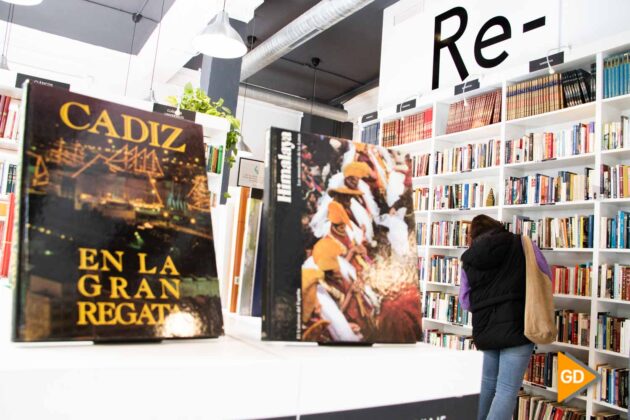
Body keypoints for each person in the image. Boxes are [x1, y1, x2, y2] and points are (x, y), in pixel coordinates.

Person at [459, 215, 551, 420]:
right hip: (518, 325)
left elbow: (466, 301)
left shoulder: (468, 258)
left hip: (484, 330)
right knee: (507, 390)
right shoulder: (523, 243)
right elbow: (545, 276)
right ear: (498, 227)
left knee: (486, 385)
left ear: (473, 235)